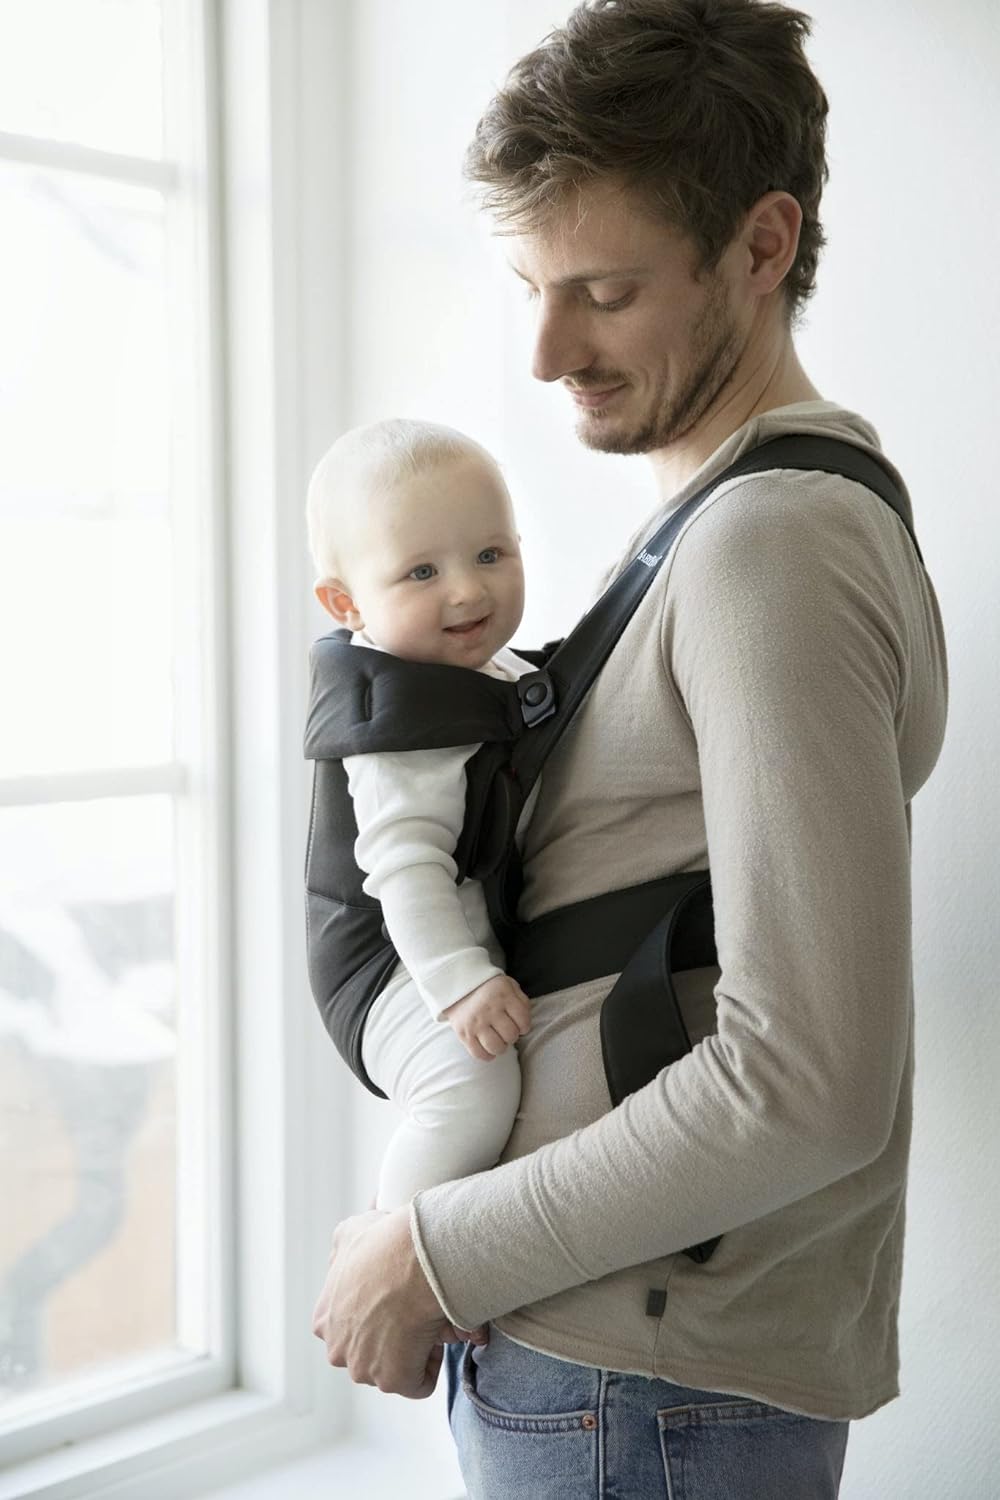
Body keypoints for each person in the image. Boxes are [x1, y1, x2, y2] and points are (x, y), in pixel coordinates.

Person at [310, 2, 950, 1496]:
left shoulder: (771, 547)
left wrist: (431, 1254)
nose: (547, 352)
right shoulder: (728, 525)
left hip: (640, 1379)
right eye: (532, 289)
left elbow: (808, 1079)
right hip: (625, 1368)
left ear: (763, 244)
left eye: (602, 291)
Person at [306, 419, 537, 1210]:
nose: (467, 590)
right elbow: (404, 868)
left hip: (434, 939)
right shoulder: (399, 732)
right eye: (422, 572)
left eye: (490, 555)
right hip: (386, 963)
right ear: (348, 604)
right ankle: (394, 1243)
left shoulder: (482, 673)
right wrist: (459, 984)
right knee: (470, 1085)